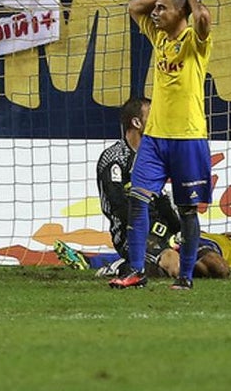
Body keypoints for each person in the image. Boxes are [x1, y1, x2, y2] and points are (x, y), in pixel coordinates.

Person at [110, 0, 212, 291]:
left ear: (180, 13)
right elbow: (132, 7)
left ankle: (186, 277)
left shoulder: (195, 42)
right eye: (155, 9)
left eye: (162, 9)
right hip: (154, 138)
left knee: (187, 211)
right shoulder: (159, 38)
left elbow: (204, 21)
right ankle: (136, 270)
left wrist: (191, 2)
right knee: (138, 200)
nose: (154, 13)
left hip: (188, 138)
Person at [54, 97, 182, 277]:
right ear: (137, 122)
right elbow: (117, 205)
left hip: (162, 230)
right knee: (174, 267)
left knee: (215, 267)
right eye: (152, 116)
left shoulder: (155, 156)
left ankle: (108, 263)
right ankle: (115, 266)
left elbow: (162, 199)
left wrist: (179, 230)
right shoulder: (114, 158)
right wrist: (143, 230)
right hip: (131, 233)